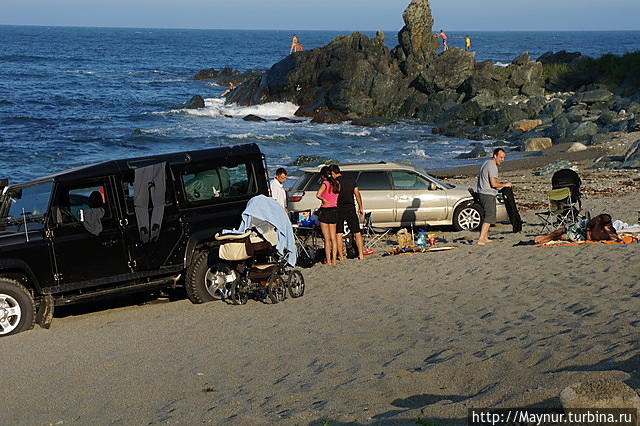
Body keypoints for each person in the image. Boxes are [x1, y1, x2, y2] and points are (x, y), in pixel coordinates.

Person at [329, 164, 365, 260]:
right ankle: (361, 255)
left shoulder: (334, 182)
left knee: (339, 233)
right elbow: (357, 194)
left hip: (338, 209)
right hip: (350, 208)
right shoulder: (351, 179)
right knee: (357, 232)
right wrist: (360, 207)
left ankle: (341, 256)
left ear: (333, 173)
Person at [476, 148, 512, 245]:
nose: (502, 160)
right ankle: (481, 239)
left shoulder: (486, 163)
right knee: (489, 216)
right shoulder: (492, 166)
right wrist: (505, 185)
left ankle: (485, 237)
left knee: (487, 215)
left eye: (504, 157)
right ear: (495, 156)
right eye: (501, 157)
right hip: (487, 194)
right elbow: (494, 184)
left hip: (482, 192)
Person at [535, 214, 620, 244]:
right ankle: (545, 238)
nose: (596, 219)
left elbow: (615, 239)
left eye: (598, 220)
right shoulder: (596, 220)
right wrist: (589, 236)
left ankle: (548, 238)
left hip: (584, 236)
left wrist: (607, 230)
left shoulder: (609, 230)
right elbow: (588, 226)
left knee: (563, 237)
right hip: (585, 228)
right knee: (562, 230)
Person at [316, 166, 340, 266]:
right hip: (334, 210)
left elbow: (318, 194)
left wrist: (323, 199)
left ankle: (328, 260)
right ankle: (334, 260)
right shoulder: (337, 183)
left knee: (327, 239)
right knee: (333, 238)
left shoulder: (325, 183)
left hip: (325, 211)